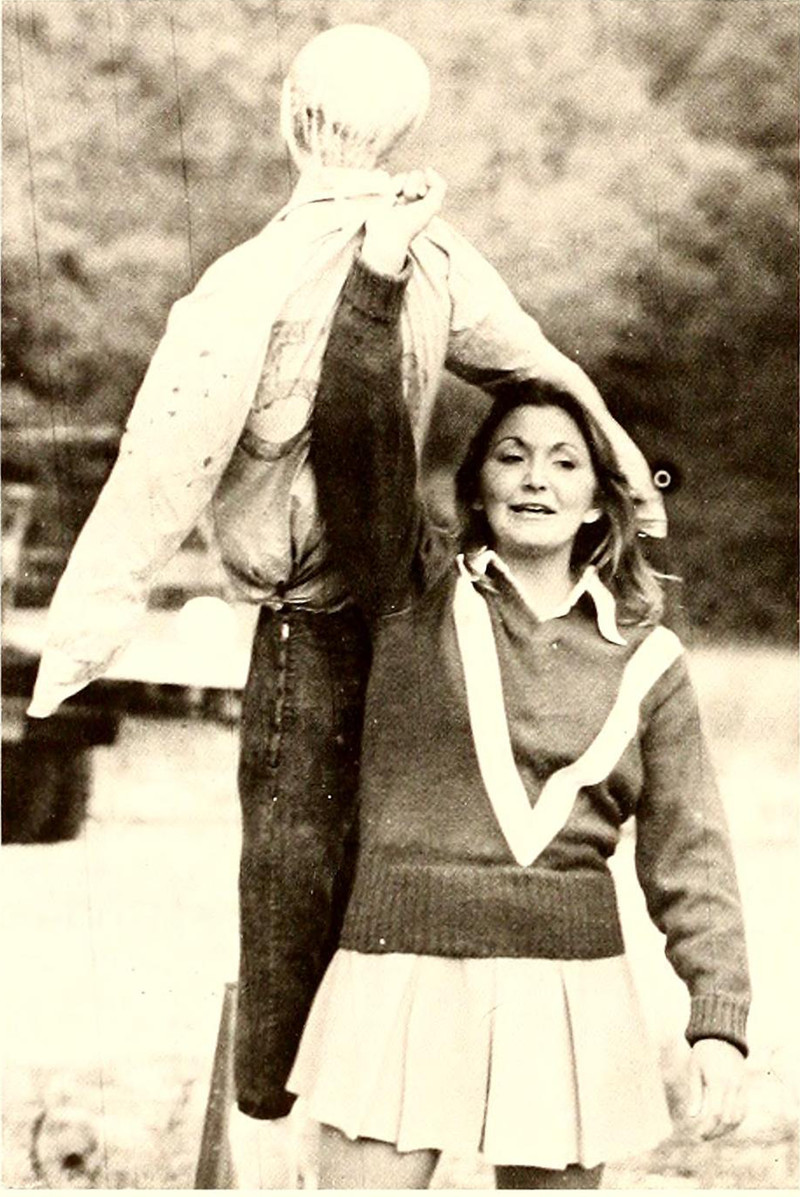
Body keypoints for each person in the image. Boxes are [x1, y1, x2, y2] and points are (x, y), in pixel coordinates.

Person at [25, 24, 665, 1184]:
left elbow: (160, 467)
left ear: (292, 119)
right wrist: (626, 487)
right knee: (376, 880)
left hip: (331, 613)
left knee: (300, 884)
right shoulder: (439, 259)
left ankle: (291, 1120)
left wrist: (78, 642)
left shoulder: (253, 284)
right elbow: (542, 370)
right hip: (398, 600)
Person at [287, 186, 751, 1190]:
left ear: (598, 501)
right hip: (401, 963)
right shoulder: (412, 595)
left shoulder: (649, 659)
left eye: (563, 462)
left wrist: (717, 1021)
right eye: (511, 456)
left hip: (570, 984)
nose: (536, 477)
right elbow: (358, 442)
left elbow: (692, 850)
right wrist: (377, 278)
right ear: (476, 488)